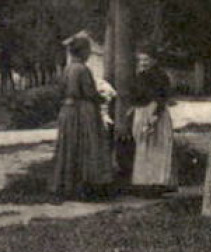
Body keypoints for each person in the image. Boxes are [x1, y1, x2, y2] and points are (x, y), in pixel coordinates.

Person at [51, 32, 115, 200]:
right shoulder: (83, 69)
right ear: (83, 52)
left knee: (69, 147)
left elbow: (61, 92)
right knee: (87, 147)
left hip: (67, 111)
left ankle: (67, 185)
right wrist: (102, 97)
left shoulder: (68, 69)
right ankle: (86, 185)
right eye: (87, 51)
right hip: (82, 111)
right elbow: (89, 93)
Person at [128, 51, 176, 193]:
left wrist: (155, 114)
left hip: (155, 112)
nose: (143, 62)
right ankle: (144, 182)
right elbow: (135, 95)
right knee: (143, 147)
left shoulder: (160, 76)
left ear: (154, 60)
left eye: (146, 59)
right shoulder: (140, 76)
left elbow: (162, 96)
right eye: (140, 59)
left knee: (156, 147)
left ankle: (157, 182)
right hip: (142, 111)